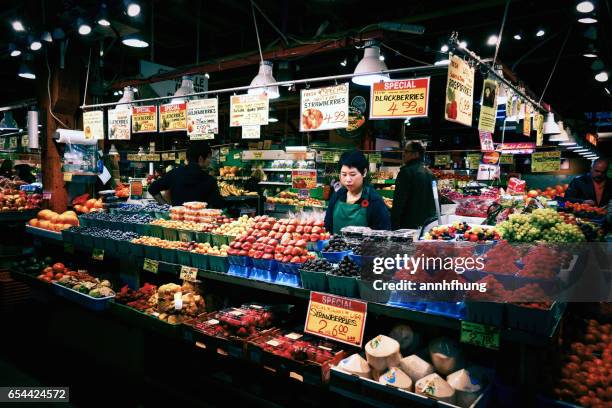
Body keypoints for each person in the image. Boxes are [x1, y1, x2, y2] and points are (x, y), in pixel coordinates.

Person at [324, 150, 390, 234]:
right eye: (344, 174)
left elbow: (383, 234)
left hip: (365, 247)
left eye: (352, 174)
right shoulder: (337, 196)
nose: (348, 180)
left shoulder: (374, 200)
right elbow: (327, 226)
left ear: (364, 173)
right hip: (335, 246)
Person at [148, 141, 223, 207]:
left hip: (177, 220)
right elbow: (217, 204)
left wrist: (166, 206)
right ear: (200, 159)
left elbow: (152, 188)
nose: (210, 161)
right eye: (209, 158)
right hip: (200, 221)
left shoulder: (174, 173)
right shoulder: (209, 180)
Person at [391, 141, 438, 230]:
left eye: (406, 151)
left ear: (416, 154)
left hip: (408, 225)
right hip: (428, 224)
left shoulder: (406, 172)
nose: (403, 154)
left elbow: (399, 200)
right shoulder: (430, 173)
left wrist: (394, 223)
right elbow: (436, 200)